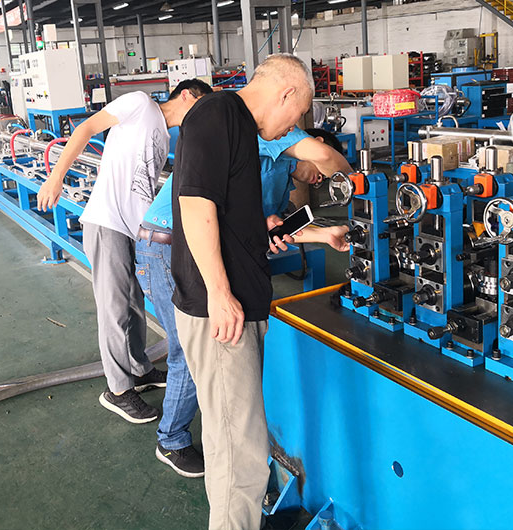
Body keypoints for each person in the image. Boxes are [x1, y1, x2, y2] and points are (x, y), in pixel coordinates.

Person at [139, 122, 351, 481]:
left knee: (204, 351)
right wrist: (352, 177)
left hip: (196, 248)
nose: (320, 180)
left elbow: (273, 229)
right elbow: (322, 155)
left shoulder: (282, 182)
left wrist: (324, 234)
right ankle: (171, 440)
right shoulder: (271, 137)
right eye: (320, 174)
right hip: (168, 244)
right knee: (190, 353)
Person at [171, 54, 316, 529]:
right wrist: (219, 292)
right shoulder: (217, 113)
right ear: (286, 92)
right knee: (243, 458)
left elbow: (224, 212)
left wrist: (266, 226)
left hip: (232, 307)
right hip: (221, 314)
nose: (292, 126)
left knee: (231, 444)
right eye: (298, 113)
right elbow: (195, 204)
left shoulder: (237, 127)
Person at [36, 80, 213, 425]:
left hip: (134, 230)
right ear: (187, 95)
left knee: (134, 304)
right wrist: (56, 177)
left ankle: (139, 369)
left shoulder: (165, 136)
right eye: (202, 106)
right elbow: (87, 128)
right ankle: (118, 390)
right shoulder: (140, 103)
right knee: (114, 308)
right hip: (108, 222)